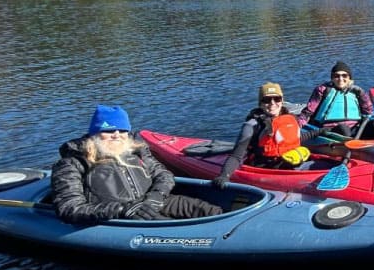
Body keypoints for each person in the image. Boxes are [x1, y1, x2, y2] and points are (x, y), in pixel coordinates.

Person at [52, 105, 222, 223]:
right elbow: (70, 207)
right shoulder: (72, 162)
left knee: (208, 210)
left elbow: (164, 175)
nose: (117, 135)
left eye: (122, 130)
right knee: (168, 226)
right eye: (109, 130)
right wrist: (122, 210)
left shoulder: (136, 150)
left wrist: (155, 197)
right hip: (118, 215)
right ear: (95, 133)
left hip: (153, 201)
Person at [213, 82, 309, 188]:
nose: (272, 103)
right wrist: (224, 176)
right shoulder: (252, 125)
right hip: (268, 168)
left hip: (292, 161)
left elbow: (296, 139)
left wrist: (320, 132)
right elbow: (236, 156)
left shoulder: (290, 118)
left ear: (282, 101)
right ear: (260, 103)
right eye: (267, 100)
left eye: (276, 99)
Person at [298, 60, 374, 140]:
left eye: (344, 75)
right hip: (331, 129)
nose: (341, 79)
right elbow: (308, 111)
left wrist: (361, 94)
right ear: (332, 78)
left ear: (349, 78)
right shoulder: (323, 90)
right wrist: (299, 125)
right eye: (337, 76)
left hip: (356, 129)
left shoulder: (356, 91)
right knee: (344, 129)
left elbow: (369, 112)